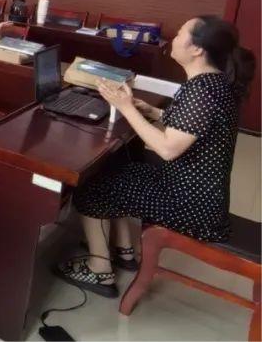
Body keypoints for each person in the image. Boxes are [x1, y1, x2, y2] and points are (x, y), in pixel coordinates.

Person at [54, 16, 255, 298]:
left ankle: (100, 269)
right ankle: (124, 250)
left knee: (92, 188)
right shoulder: (213, 83)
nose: (174, 38)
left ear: (197, 49)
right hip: (196, 192)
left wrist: (126, 107)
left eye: (181, 33)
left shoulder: (204, 90)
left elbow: (167, 148)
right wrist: (153, 112)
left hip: (190, 204)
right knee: (118, 167)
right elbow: (192, 125)